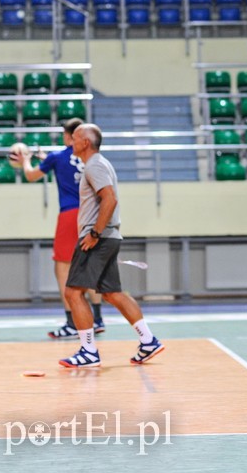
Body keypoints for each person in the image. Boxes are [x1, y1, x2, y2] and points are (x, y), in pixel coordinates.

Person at [58, 123, 164, 368]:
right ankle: (148, 340)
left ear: (85, 142)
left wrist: (94, 233)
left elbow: (110, 198)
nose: (71, 142)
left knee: (73, 292)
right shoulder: (98, 164)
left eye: (74, 138)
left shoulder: (94, 165)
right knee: (112, 293)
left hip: (98, 239)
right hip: (109, 237)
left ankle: (88, 351)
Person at [14, 118, 105, 340]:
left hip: (70, 215)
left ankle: (71, 323)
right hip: (92, 215)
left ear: (68, 135)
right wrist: (49, 160)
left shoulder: (57, 157)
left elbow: (31, 176)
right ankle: (98, 319)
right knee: (89, 268)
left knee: (62, 269)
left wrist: (25, 160)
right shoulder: (89, 158)